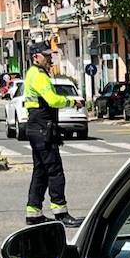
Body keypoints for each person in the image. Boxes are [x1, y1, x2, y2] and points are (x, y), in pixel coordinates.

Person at [23, 45, 81, 228]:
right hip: (42, 128)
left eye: (50, 56)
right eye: (46, 56)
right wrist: (72, 101)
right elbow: (53, 100)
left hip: (36, 127)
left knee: (40, 171)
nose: (50, 59)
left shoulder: (34, 73)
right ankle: (61, 212)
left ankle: (34, 213)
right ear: (36, 57)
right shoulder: (39, 75)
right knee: (55, 171)